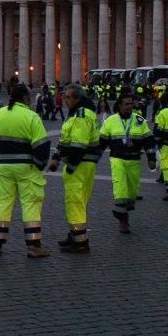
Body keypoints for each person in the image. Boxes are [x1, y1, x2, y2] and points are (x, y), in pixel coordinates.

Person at [0, 84, 51, 257]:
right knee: (30, 204)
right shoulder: (31, 116)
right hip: (27, 167)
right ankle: (33, 245)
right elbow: (42, 146)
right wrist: (38, 164)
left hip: (3, 166)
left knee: (2, 203)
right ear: (26, 98)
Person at [48, 84, 100, 253]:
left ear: (78, 99)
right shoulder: (76, 114)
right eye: (64, 97)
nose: (65, 100)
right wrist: (56, 158)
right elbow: (65, 140)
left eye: (68, 97)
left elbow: (78, 144)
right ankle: (74, 235)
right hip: (82, 164)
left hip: (79, 165)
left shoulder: (81, 116)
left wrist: (70, 167)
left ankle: (80, 242)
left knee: (75, 202)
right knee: (77, 201)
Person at [99, 94, 157, 233]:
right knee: (121, 189)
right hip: (117, 159)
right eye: (126, 104)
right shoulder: (110, 121)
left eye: (131, 103)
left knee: (132, 192)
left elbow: (148, 141)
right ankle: (123, 220)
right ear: (119, 105)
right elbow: (101, 143)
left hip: (134, 160)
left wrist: (151, 158)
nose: (130, 106)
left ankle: (123, 211)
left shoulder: (139, 120)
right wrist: (93, 158)